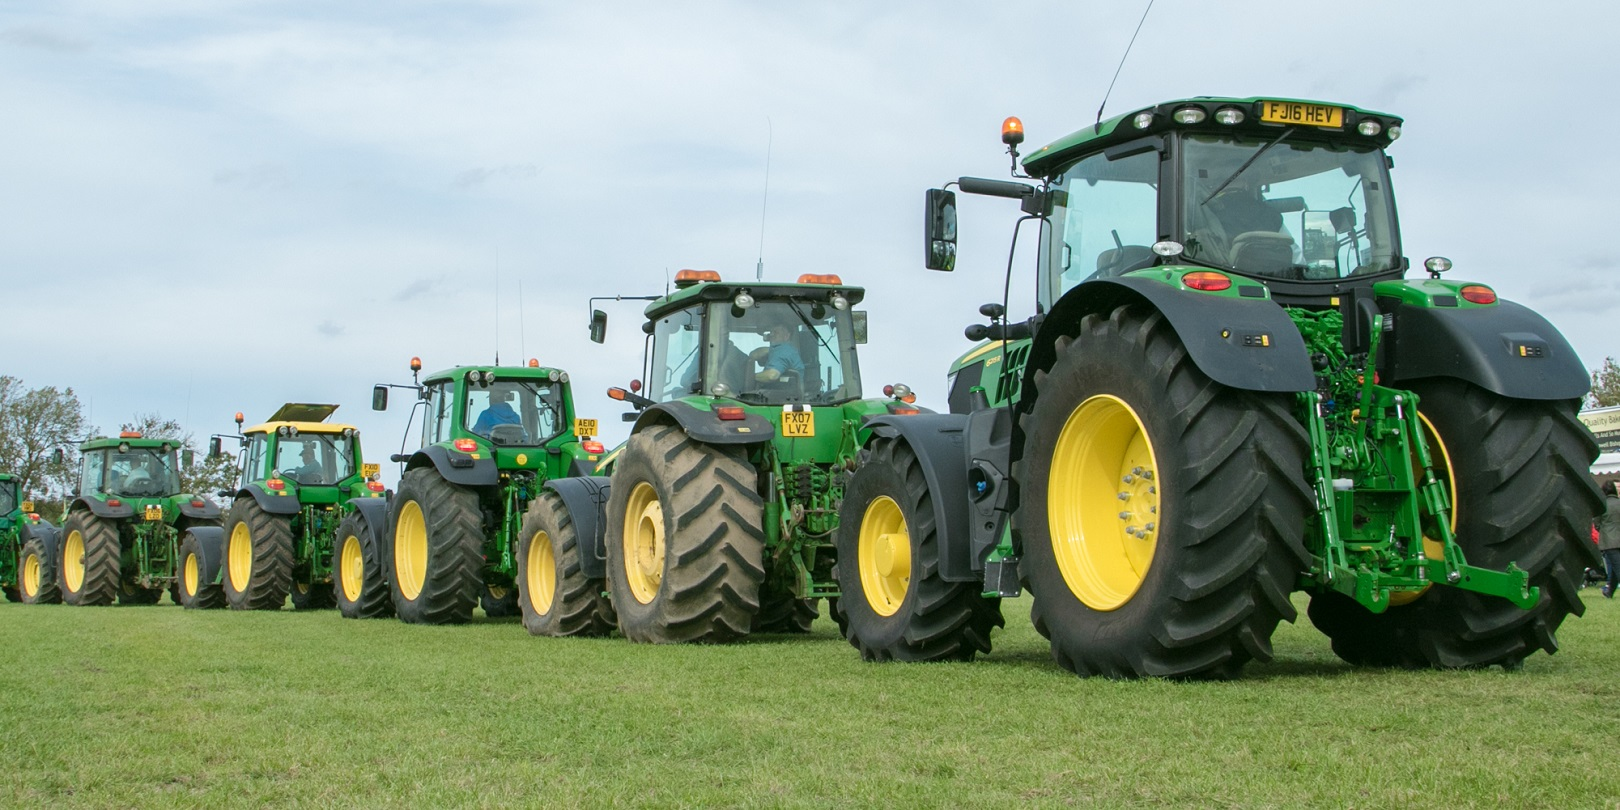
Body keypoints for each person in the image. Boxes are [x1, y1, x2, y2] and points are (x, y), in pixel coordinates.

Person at [1598, 480, 1620, 598]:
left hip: (1609, 541)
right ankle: (1609, 592)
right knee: (1616, 568)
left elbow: (1596, 522)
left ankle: (1609, 591)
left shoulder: (1602, 504)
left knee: (1617, 567)